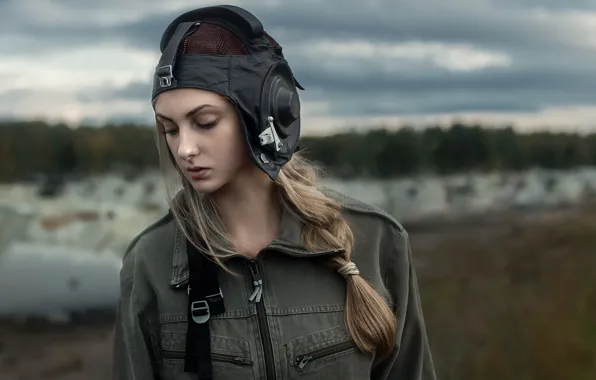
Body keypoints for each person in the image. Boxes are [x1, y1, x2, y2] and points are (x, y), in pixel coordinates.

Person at [112, 4, 436, 380]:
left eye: (205, 123)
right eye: (170, 129)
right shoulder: (150, 262)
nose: (184, 149)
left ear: (267, 113)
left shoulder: (378, 240)